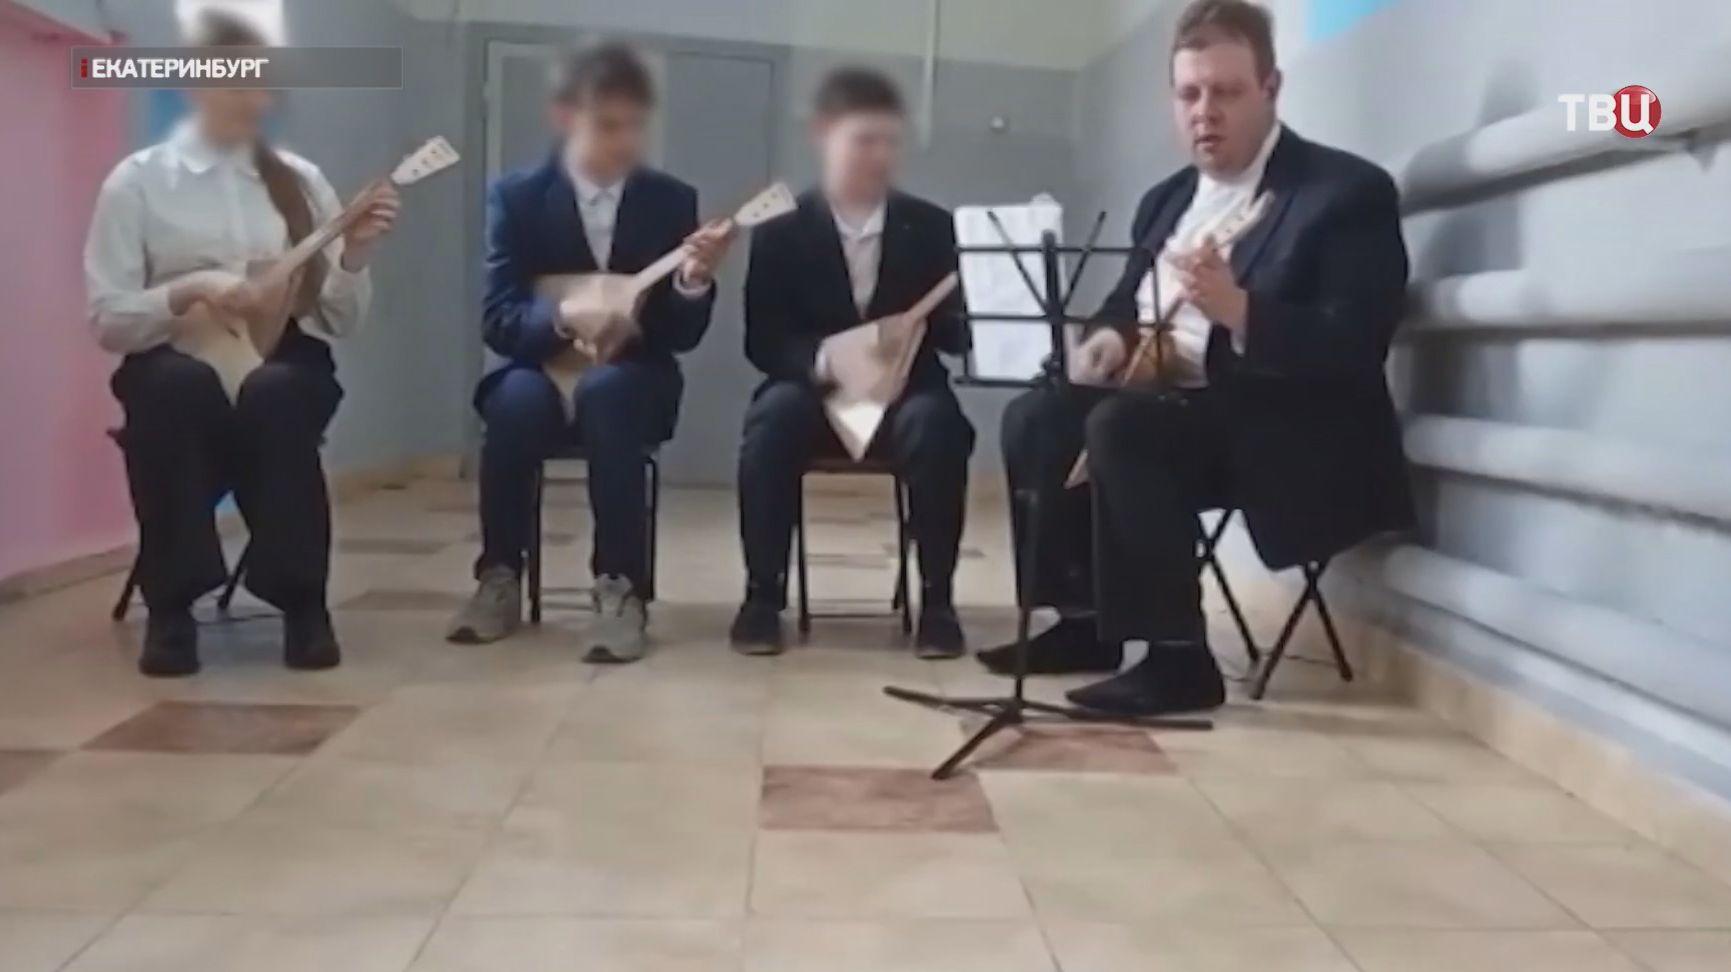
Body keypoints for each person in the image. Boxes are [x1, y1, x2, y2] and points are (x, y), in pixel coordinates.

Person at [979, 0, 1413, 716]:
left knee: (1124, 426)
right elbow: (1123, 304)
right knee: (1039, 416)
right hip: (1171, 409)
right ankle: (1083, 622)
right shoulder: (1167, 200)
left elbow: (1355, 343)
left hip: (1284, 428)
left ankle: (1177, 659)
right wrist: (1108, 341)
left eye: (1226, 92)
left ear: (1270, 89)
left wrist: (1238, 309)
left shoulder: (1342, 193)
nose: (1204, 113)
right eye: (1189, 94)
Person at [84, 11, 400, 678]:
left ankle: (302, 601)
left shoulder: (300, 183)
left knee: (279, 391)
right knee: (175, 390)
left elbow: (340, 320)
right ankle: (172, 608)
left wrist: (356, 254)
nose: (253, 100)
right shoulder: (137, 182)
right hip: (173, 359)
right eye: (235, 84)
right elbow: (109, 319)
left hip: (278, 357)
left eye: (262, 84)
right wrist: (190, 290)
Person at [447, 43, 733, 663]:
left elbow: (679, 335)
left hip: (634, 374)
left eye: (635, 126)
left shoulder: (669, 200)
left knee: (610, 394)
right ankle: (499, 575)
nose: (624, 141)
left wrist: (693, 282)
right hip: (540, 365)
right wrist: (563, 315)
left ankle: (620, 588)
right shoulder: (518, 197)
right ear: (564, 116)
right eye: (607, 125)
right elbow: (498, 321)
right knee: (514, 404)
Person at [730, 68, 975, 658]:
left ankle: (937, 603)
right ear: (823, 133)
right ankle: (762, 598)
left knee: (938, 426)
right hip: (813, 396)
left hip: (905, 398)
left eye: (890, 141)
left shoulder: (931, 226)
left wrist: (977, 304)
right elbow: (764, 341)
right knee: (771, 421)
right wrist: (827, 360)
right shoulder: (781, 229)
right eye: (865, 140)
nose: (880, 155)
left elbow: (955, 338)